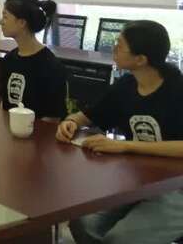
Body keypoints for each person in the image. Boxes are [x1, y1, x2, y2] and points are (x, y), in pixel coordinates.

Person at [56, 20, 183, 244]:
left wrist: (124, 145)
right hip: (137, 178)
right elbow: (88, 116)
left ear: (141, 59)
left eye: (120, 45)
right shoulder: (126, 85)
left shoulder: (177, 90)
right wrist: (71, 122)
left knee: (121, 238)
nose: (113, 47)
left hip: (176, 187)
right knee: (81, 220)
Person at [0, 0, 68, 120]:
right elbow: (4, 105)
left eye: (5, 17)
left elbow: (52, 118)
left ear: (22, 23)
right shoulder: (9, 59)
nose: (0, 22)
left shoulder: (50, 66)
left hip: (38, 132)